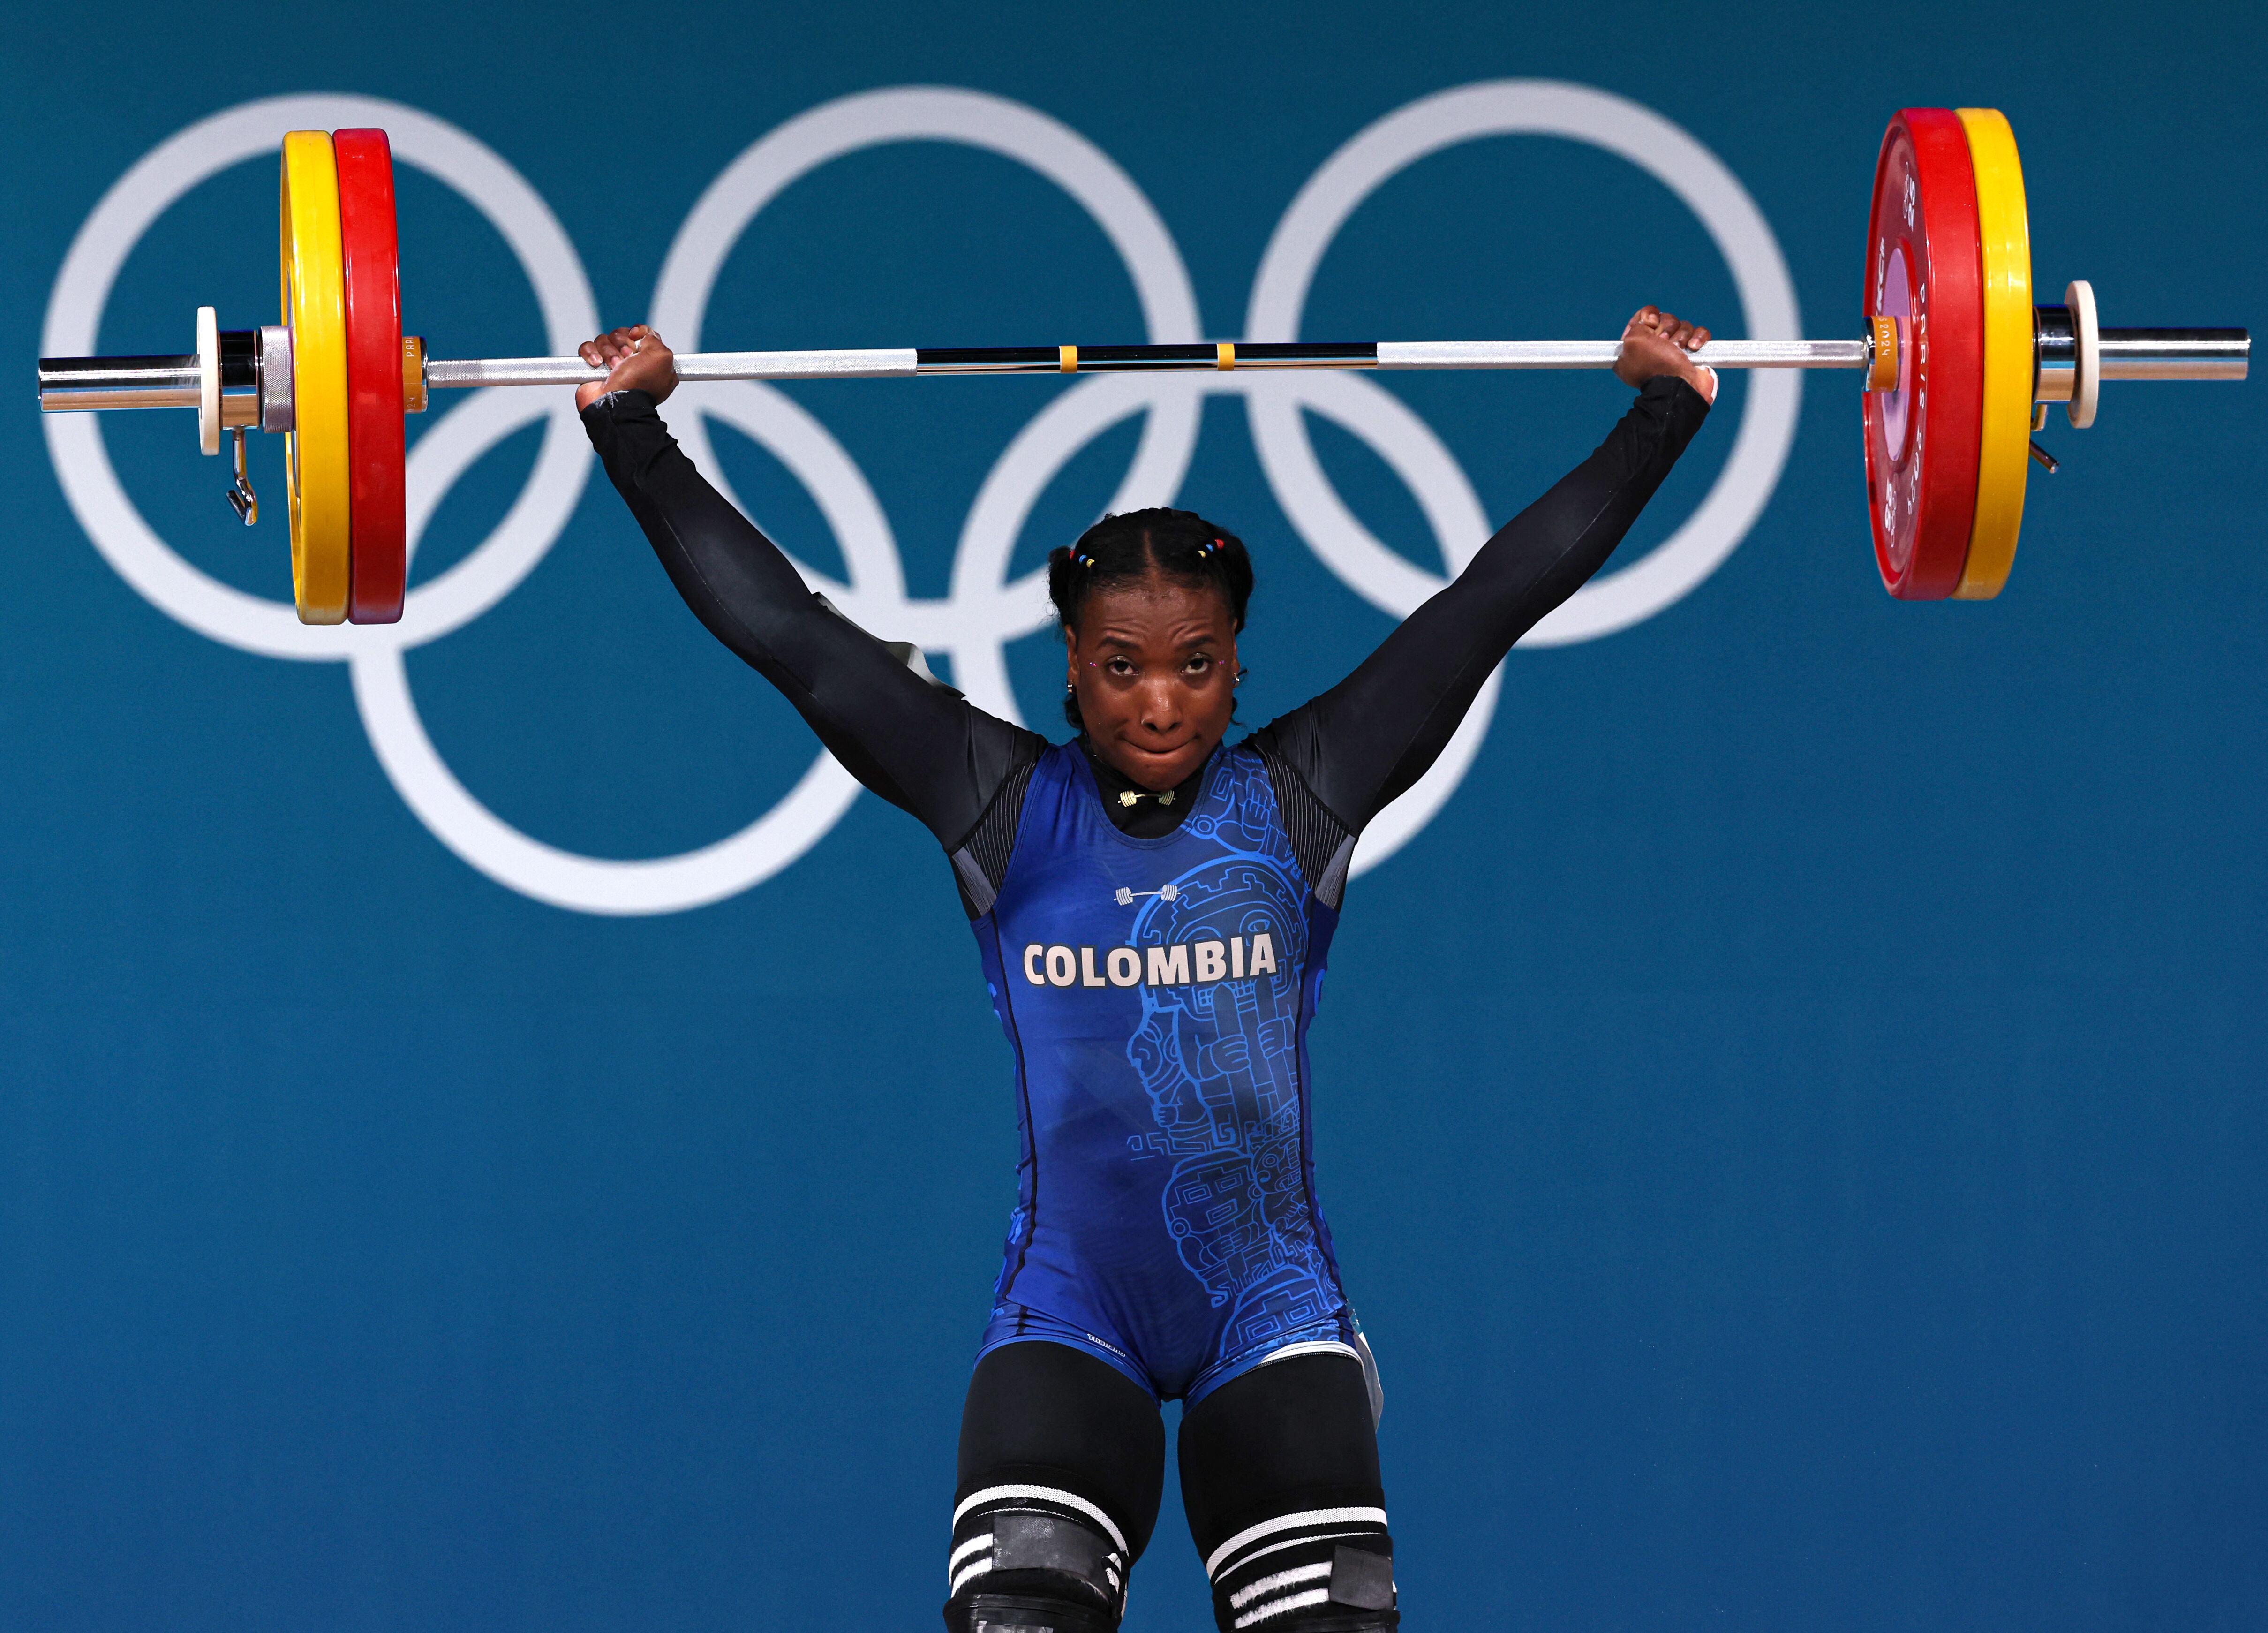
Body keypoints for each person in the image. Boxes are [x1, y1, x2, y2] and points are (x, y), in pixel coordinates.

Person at [574, 307, 1716, 1633]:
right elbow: (791, 636)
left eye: (1195, 666)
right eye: (1121, 668)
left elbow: (1491, 604)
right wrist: (634, 436)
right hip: (1073, 1312)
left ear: (1237, 669)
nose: (1159, 702)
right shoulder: (995, 801)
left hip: (1272, 1310)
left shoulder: (1304, 793)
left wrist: (1663, 410)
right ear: (1072, 662)